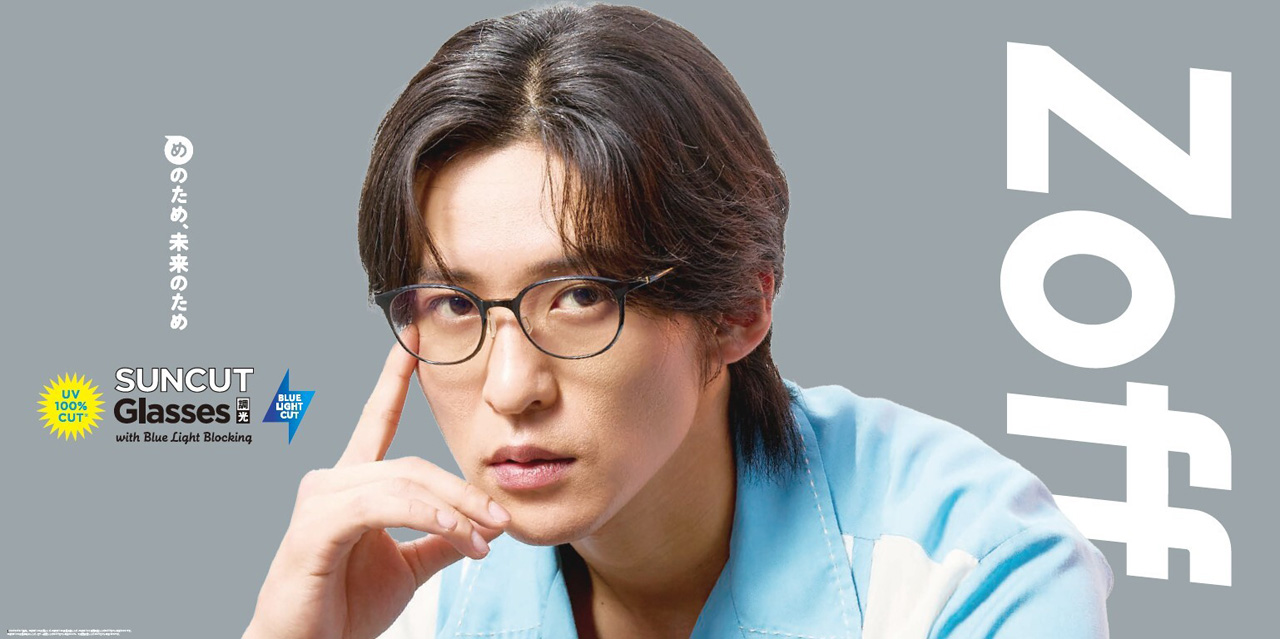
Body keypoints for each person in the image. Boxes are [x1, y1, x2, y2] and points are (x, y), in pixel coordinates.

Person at [243, 3, 1113, 638]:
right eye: (457, 306)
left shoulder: (968, 566)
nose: (510, 388)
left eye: (580, 296)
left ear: (738, 308)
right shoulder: (405, 603)